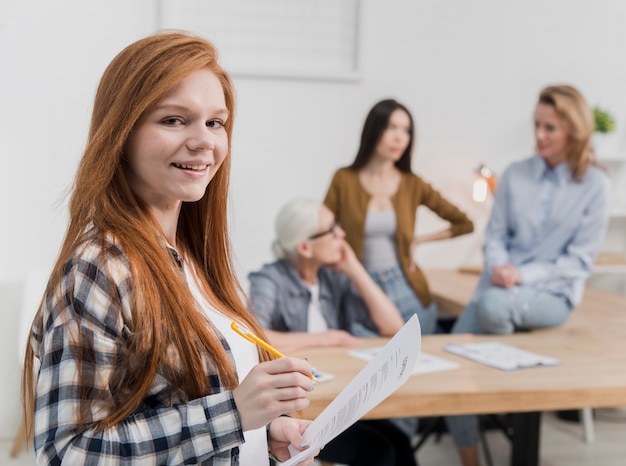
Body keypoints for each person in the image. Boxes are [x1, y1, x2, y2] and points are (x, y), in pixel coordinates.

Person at [21, 32, 317, 466]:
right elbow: (68, 452)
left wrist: (266, 432)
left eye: (215, 122)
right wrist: (233, 414)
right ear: (122, 132)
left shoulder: (196, 259)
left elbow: (185, 403)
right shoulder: (99, 267)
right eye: (174, 120)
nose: (204, 142)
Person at [446, 84, 611, 466]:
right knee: (452, 358)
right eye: (537, 125)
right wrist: (501, 266)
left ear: (575, 130)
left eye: (550, 128)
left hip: (553, 296)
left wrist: (520, 274)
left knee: (492, 306)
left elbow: (578, 262)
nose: (539, 135)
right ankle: (470, 459)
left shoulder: (596, 185)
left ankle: (505, 401)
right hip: (497, 287)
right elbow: (496, 236)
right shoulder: (516, 175)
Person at [248, 198, 417, 466]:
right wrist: (324, 338)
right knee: (379, 451)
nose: (342, 235)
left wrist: (354, 268)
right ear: (305, 247)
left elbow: (393, 326)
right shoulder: (269, 280)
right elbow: (255, 336)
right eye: (333, 230)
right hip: (298, 411)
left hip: (339, 398)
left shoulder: (332, 276)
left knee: (399, 441)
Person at [324, 98, 474, 337]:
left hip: (406, 288)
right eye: (391, 128)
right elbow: (323, 228)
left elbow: (465, 223)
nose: (399, 138)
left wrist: (419, 241)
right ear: (373, 130)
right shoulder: (344, 179)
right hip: (361, 289)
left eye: (406, 130)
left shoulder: (412, 184)